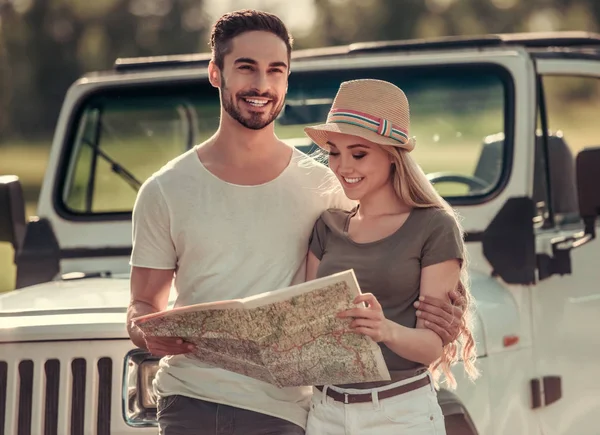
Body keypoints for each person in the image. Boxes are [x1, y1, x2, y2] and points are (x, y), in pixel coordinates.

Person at [126, 9, 467, 435]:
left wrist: (442, 325)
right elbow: (142, 307)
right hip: (191, 399)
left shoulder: (328, 187)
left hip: (291, 410)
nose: (262, 85)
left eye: (276, 70)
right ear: (216, 73)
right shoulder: (165, 189)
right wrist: (145, 335)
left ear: (287, 80)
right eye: (246, 68)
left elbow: (384, 255)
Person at [302, 79, 480, 435]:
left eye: (359, 153)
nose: (342, 166)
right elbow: (308, 322)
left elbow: (430, 346)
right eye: (334, 152)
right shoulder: (327, 225)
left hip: (400, 414)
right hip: (326, 413)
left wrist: (385, 330)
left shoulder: (433, 226)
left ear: (392, 155)